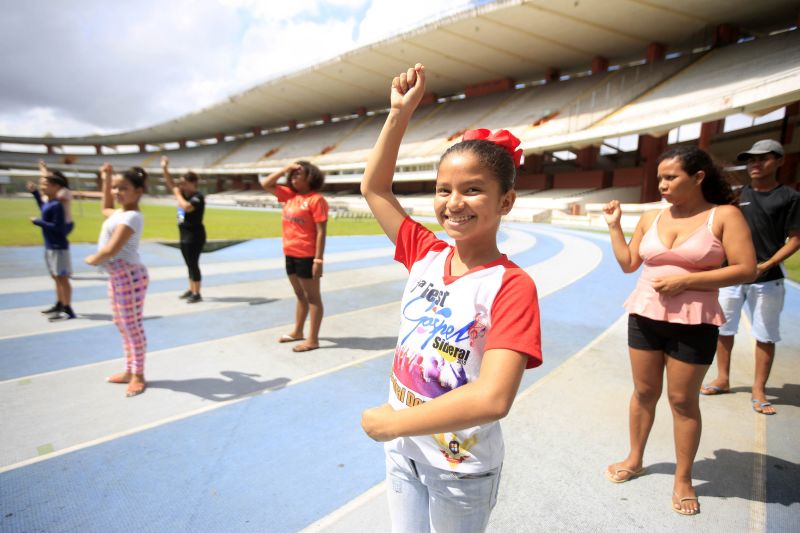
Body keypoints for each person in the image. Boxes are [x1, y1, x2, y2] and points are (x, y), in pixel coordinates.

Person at [359, 63, 542, 533]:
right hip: (404, 456)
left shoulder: (512, 286)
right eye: (444, 190)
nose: (453, 202)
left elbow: (493, 397)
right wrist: (399, 113)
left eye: (473, 190)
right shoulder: (424, 251)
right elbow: (375, 188)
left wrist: (394, 424)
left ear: (506, 202)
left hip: (459, 468)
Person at [602, 145, 756, 516]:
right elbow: (628, 264)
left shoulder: (724, 216)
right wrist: (614, 226)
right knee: (643, 391)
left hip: (695, 320)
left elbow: (746, 268)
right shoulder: (652, 216)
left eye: (671, 177)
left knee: (683, 401)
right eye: (660, 178)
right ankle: (635, 457)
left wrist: (688, 281)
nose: (663, 185)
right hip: (645, 314)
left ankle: (684, 478)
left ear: (698, 177)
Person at [700, 140, 800, 415]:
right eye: (751, 160)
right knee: (723, 329)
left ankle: (759, 389)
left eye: (763, 159)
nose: (755, 164)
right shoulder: (735, 195)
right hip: (731, 277)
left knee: (765, 335)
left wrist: (766, 264)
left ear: (779, 161)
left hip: (767, 280)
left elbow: (795, 239)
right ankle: (723, 378)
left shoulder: (789, 197)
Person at [85, 164, 150, 397]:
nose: (117, 192)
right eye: (115, 188)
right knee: (121, 324)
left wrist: (93, 259)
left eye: (123, 188)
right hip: (116, 276)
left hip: (129, 276)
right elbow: (105, 207)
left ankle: (138, 375)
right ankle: (129, 370)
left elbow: (111, 250)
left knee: (132, 327)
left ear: (138, 191)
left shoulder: (132, 217)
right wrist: (107, 179)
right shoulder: (119, 213)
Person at [260, 160, 328, 353]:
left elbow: (321, 231)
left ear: (311, 177)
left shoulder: (316, 200)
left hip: (307, 256)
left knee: (313, 298)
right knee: (300, 295)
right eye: (293, 175)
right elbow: (266, 184)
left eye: (299, 174)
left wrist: (318, 259)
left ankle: (312, 339)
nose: (294, 177)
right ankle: (298, 331)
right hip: (290, 253)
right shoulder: (289, 196)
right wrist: (285, 169)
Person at [28, 172, 76, 320]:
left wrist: (39, 222)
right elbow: (43, 208)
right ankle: (60, 303)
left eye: (45, 185)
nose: (42, 187)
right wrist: (35, 193)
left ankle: (68, 309)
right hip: (50, 246)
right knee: (56, 277)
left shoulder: (57, 205)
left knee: (62, 278)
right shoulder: (49, 203)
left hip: (58, 247)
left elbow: (59, 228)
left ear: (56, 187)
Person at [161, 156, 206, 303]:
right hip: (184, 233)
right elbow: (171, 184)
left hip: (195, 235)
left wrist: (178, 194)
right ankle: (191, 288)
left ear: (193, 183)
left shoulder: (198, 197)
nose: (182, 186)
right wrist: (164, 168)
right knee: (188, 263)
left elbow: (187, 207)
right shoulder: (184, 194)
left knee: (193, 263)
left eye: (184, 183)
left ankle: (197, 293)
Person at [38, 160, 74, 235]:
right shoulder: (48, 194)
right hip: (53, 223)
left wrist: (44, 172)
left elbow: (56, 195)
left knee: (56, 244)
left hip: (65, 224)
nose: (44, 186)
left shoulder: (64, 191)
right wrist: (43, 169)